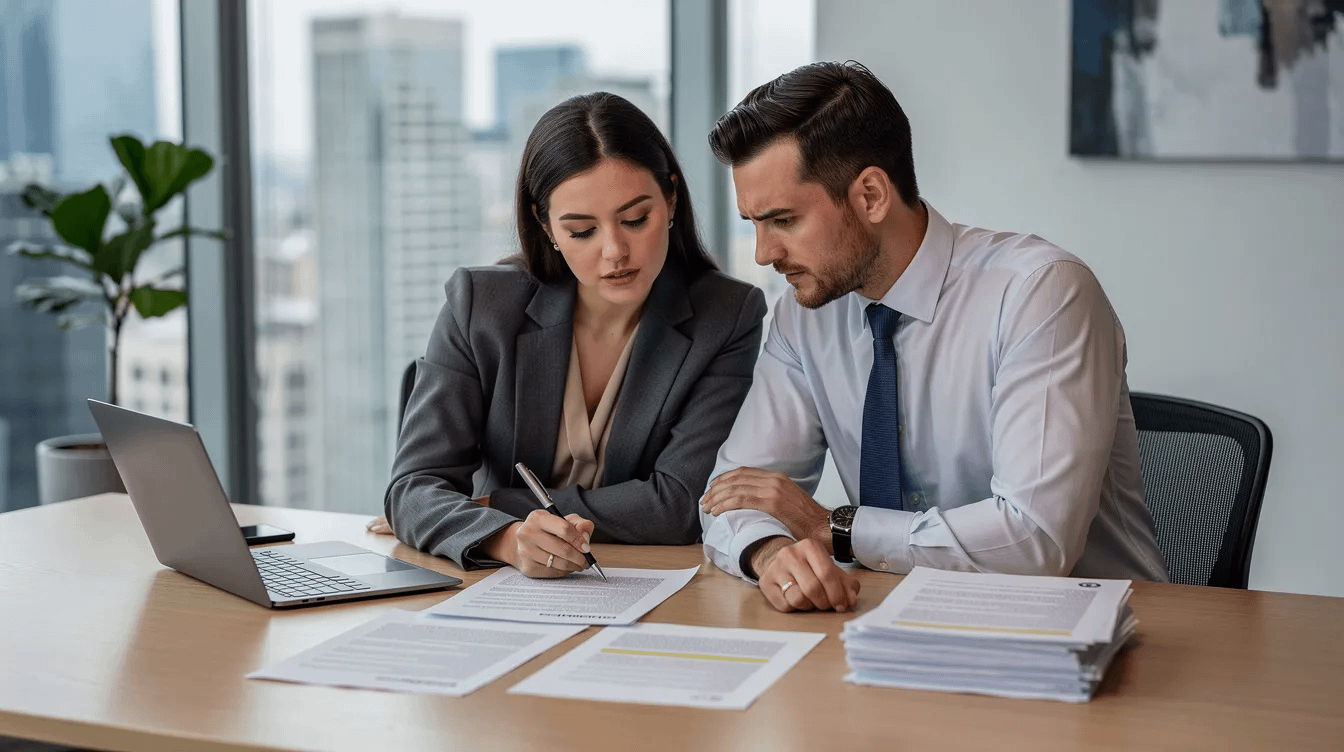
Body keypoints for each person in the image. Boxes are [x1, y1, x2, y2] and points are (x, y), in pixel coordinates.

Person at [698, 62, 1168, 614]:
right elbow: (727, 497)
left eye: (782, 221)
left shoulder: (1040, 294)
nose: (763, 254)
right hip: (893, 623)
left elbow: (1034, 539)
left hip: (1087, 634)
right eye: (752, 224)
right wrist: (773, 551)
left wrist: (839, 530)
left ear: (871, 195)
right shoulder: (805, 316)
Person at [380, 92, 767, 577]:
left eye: (635, 219)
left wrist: (497, 503)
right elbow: (413, 488)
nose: (614, 251)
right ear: (546, 226)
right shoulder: (480, 305)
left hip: (651, 585)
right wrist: (504, 537)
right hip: (500, 588)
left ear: (670, 199)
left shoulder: (727, 315)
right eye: (582, 230)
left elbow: (681, 504)